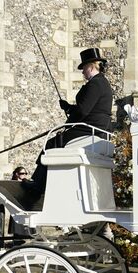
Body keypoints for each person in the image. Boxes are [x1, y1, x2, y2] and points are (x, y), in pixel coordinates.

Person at [23, 48, 113, 196]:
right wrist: (69, 108)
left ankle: (39, 185)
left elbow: (84, 111)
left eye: (83, 68)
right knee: (57, 140)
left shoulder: (95, 84)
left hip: (90, 128)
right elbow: (88, 107)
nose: (83, 72)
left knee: (52, 143)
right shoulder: (101, 83)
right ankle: (41, 182)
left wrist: (68, 123)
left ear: (90, 66)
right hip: (96, 127)